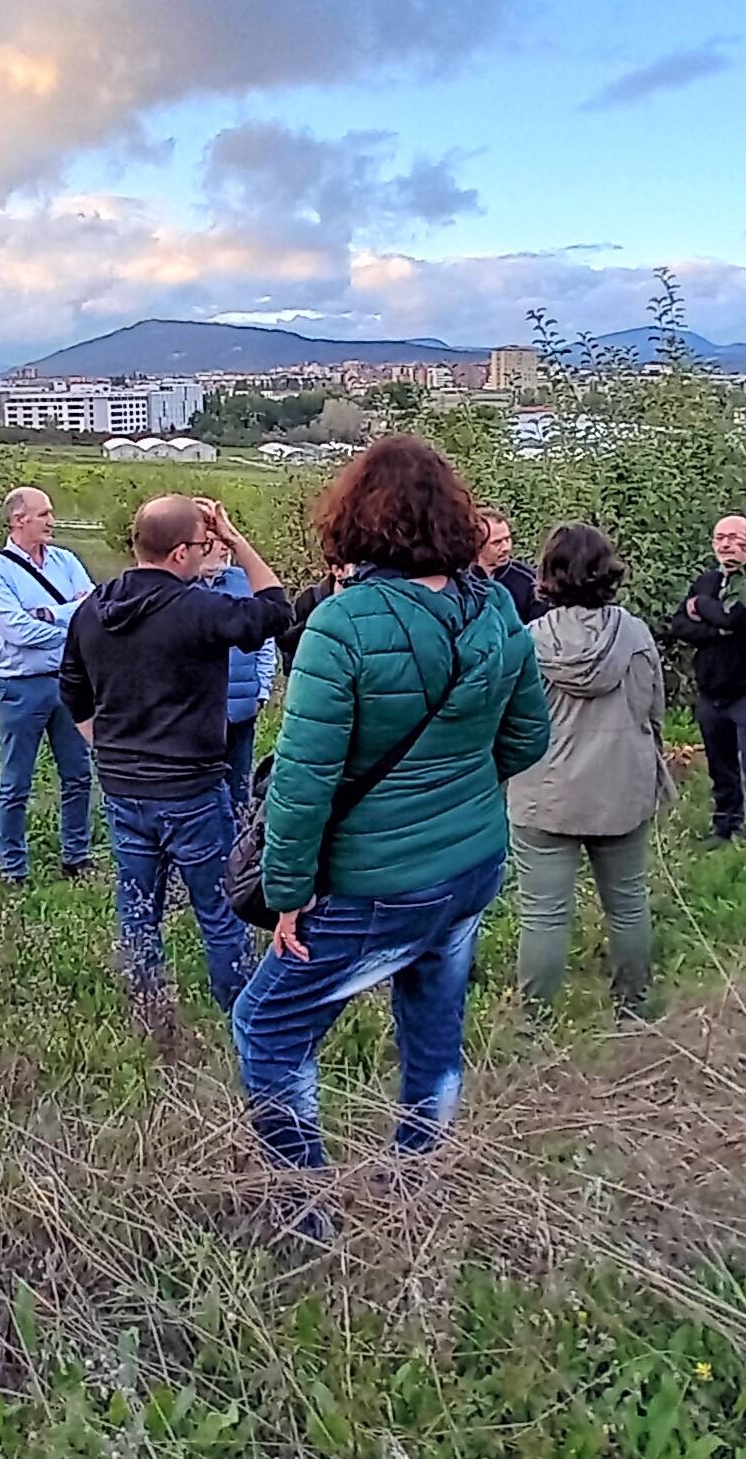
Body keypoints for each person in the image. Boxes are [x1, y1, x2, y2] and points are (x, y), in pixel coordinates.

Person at [239, 436, 552, 1204]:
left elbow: (305, 781)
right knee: (434, 1024)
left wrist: (286, 893)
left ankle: (304, 1207)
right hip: (470, 865)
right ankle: (419, 1180)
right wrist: (453, 787)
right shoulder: (496, 611)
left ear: (356, 520)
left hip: (376, 880)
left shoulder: (342, 626)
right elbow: (527, 738)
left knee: (266, 1026)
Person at [59, 494, 291, 1043]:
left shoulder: (93, 608)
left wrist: (107, 749)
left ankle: (148, 1014)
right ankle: (246, 1022)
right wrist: (235, 539)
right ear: (183, 552)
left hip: (122, 786)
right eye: (203, 545)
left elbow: (72, 691)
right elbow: (278, 610)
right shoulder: (197, 610)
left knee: (138, 903)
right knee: (219, 907)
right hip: (189, 786)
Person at [505, 523, 674, 1020]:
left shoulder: (529, 640)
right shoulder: (636, 634)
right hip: (622, 787)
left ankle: (532, 1025)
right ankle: (635, 1011)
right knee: (627, 903)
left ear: (549, 574)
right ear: (609, 571)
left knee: (543, 916)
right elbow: (651, 711)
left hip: (546, 791)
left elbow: (511, 721)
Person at [0, 486, 96, 884]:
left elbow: (92, 611)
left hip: (70, 681)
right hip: (21, 686)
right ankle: (13, 866)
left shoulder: (66, 560)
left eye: (50, 513)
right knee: (16, 781)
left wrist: (49, 614)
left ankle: (77, 856)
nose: (51, 521)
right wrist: (69, 618)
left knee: (78, 773)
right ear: (18, 520)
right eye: (43, 514)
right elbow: (18, 631)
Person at [663, 514, 746, 846]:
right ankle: (726, 828)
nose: (725, 544)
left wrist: (701, 607)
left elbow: (737, 618)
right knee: (721, 766)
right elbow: (679, 625)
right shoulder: (707, 581)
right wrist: (717, 627)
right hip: (712, 690)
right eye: (719, 538)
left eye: (733, 537)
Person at [199, 531, 279, 812]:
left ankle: (238, 844)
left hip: (242, 704)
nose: (223, 549)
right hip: (197, 712)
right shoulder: (179, 585)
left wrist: (263, 688)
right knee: (202, 786)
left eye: (224, 541)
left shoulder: (243, 580)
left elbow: (267, 637)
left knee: (239, 784)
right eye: (214, 542)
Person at [478, 509, 543, 623]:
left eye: (507, 539)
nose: (506, 547)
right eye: (497, 542)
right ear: (478, 544)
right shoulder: (459, 579)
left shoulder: (528, 580)